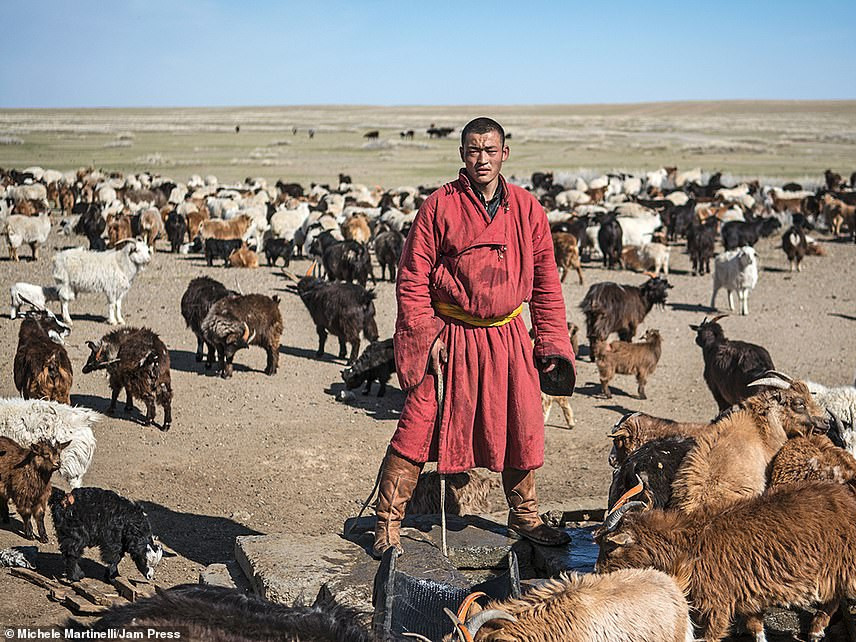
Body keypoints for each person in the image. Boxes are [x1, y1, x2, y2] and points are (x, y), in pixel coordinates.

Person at [372, 117, 576, 558]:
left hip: (507, 336)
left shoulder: (527, 209)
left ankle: (525, 517)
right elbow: (412, 279)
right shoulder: (438, 206)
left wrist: (552, 344)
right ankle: (387, 522)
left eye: (489, 149)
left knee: (521, 423)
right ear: (462, 154)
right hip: (451, 337)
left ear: (505, 153)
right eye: (472, 150)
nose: (481, 158)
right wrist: (426, 336)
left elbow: (545, 283)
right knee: (418, 425)